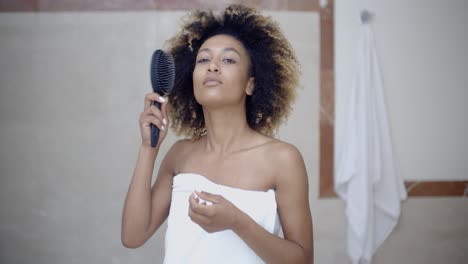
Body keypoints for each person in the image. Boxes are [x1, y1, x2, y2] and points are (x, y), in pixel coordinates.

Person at [121, 4, 313, 264]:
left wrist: (237, 222)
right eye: (203, 59)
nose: (212, 66)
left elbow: (303, 260)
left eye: (228, 59)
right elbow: (133, 236)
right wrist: (148, 149)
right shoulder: (180, 155)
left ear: (251, 83)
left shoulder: (282, 159)